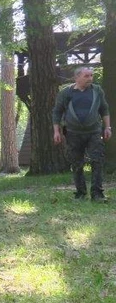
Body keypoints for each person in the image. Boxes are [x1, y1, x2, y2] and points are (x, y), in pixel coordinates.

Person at [53, 66, 111, 202]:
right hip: (73, 133)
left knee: (97, 160)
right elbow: (57, 112)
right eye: (86, 76)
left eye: (91, 75)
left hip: (94, 132)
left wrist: (108, 127)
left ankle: (97, 194)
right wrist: (56, 131)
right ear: (77, 77)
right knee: (77, 163)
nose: (90, 78)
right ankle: (80, 194)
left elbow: (104, 109)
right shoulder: (66, 93)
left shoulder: (97, 91)